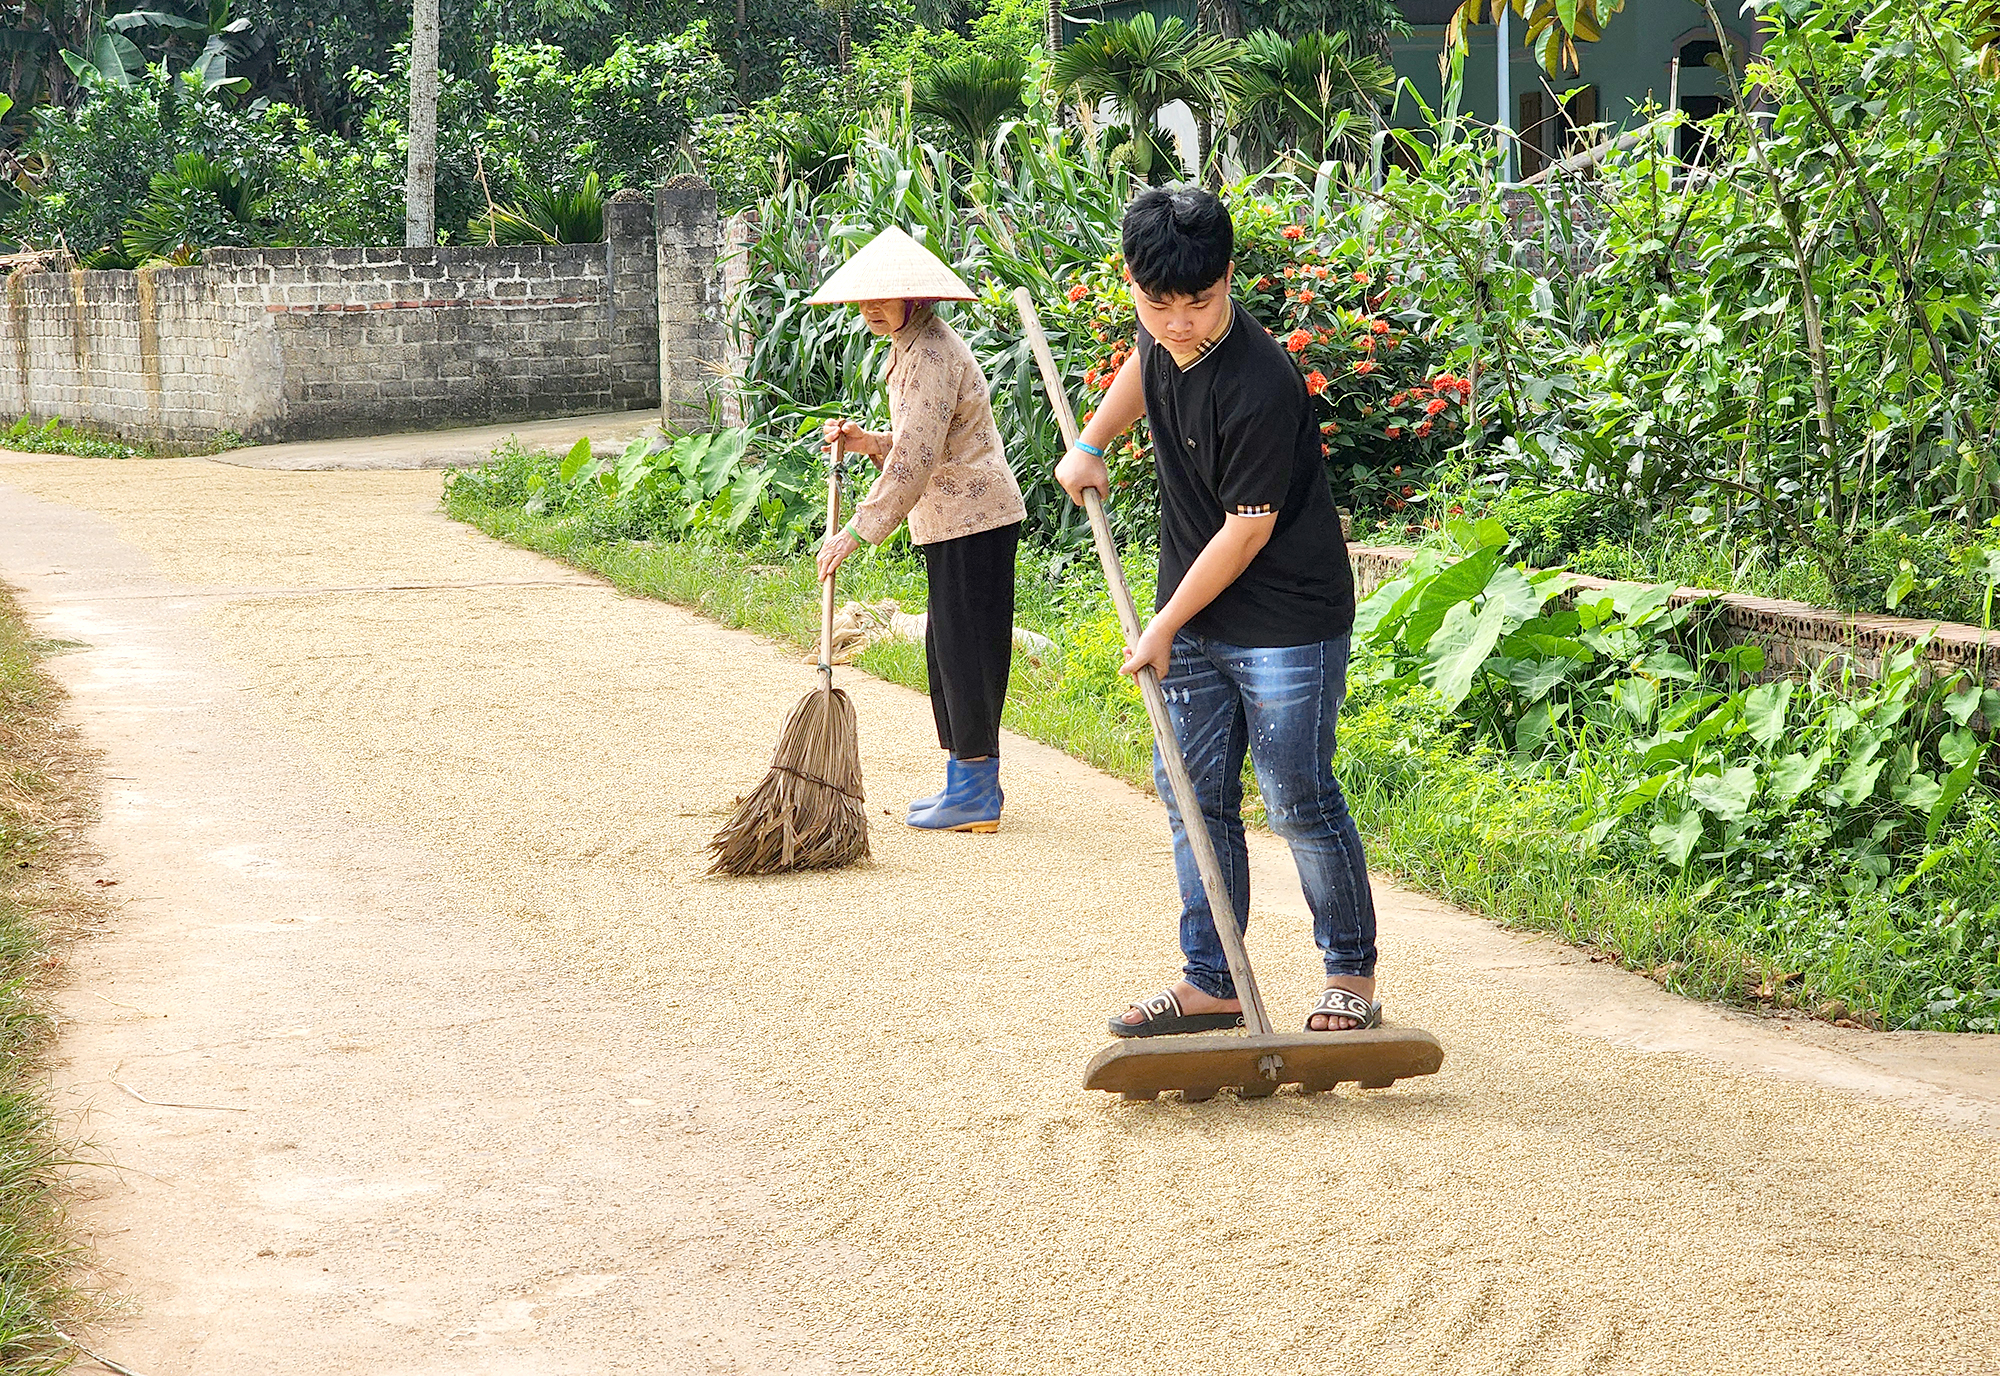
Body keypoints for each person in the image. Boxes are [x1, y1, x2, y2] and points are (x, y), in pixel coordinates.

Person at [1055, 187, 1381, 1035]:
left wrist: (1160, 625)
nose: (1180, 324)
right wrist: (1091, 444)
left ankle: (1349, 976)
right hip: (1195, 610)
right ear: (1133, 282)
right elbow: (1142, 365)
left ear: (1228, 276)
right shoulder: (1160, 331)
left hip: (1286, 617)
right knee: (1194, 794)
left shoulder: (1260, 382)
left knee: (1295, 793)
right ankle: (1214, 979)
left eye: (1200, 303)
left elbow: (1247, 532)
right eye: (1158, 303)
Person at [808, 226, 1028, 833]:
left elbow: (917, 458)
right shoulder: (909, 346)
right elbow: (916, 443)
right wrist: (866, 442)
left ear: (917, 298)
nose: (873, 308)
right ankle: (965, 779)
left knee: (967, 651)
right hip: (950, 520)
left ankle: (978, 791)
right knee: (947, 648)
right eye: (866, 298)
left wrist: (857, 530)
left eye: (887, 296)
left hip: (972, 520)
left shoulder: (930, 353)